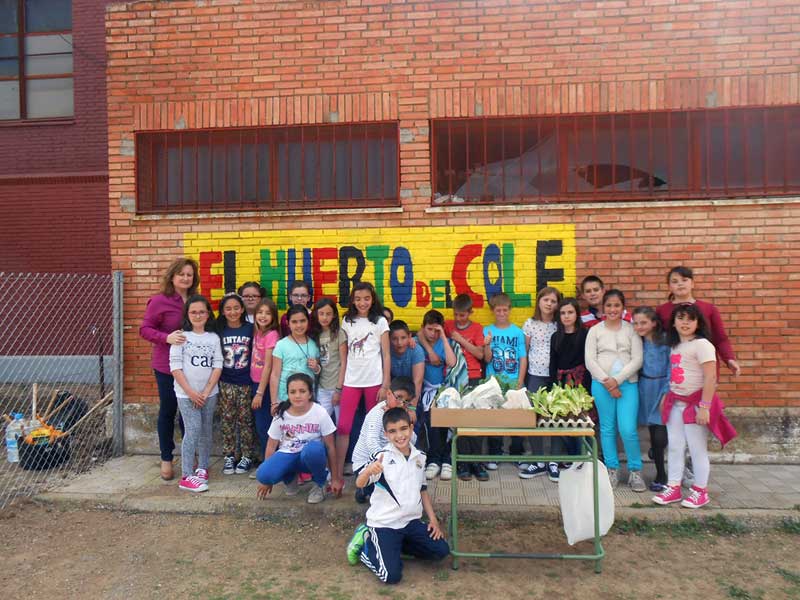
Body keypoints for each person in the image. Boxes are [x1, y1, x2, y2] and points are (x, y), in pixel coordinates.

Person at [346, 407, 450, 583]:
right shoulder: (382, 457)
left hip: (410, 523)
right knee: (391, 576)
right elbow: (360, 484)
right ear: (386, 434)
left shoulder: (420, 457)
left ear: (410, 428)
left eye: (403, 429)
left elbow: (422, 489)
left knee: (441, 550)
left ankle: (393, 547)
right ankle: (366, 545)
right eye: (392, 431)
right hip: (384, 524)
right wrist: (367, 472)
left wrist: (433, 519)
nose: (399, 435)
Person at [652, 304, 736, 508]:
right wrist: (666, 397)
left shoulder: (703, 345)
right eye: (681, 318)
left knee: (697, 449)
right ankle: (673, 487)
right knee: (674, 447)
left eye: (690, 319)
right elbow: (675, 373)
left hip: (695, 405)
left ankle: (700, 491)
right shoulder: (675, 345)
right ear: (673, 322)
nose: (685, 323)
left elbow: (710, 376)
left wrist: (705, 406)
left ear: (698, 323)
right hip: (675, 403)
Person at [139, 257, 199, 481]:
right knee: (168, 410)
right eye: (181, 274)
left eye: (189, 275)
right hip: (166, 367)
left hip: (192, 367)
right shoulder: (159, 301)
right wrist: (167, 337)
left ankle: (189, 455)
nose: (185, 278)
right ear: (172, 276)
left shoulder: (195, 300)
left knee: (189, 412)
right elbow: (145, 329)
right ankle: (166, 458)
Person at [585, 289, 645, 491]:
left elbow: (637, 359)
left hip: (628, 385)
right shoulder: (595, 331)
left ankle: (635, 471)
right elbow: (590, 360)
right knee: (607, 428)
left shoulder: (631, 330)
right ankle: (612, 469)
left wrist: (617, 381)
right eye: (609, 305)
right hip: (601, 385)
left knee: (627, 429)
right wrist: (606, 381)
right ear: (603, 308)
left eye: (616, 305)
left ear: (622, 308)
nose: (612, 309)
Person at [256, 373, 344, 503]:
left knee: (314, 449)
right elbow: (271, 445)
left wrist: (335, 479)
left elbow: (331, 447)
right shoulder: (281, 413)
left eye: (302, 391)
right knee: (263, 474)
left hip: (309, 456)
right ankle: (290, 478)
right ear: (288, 394)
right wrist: (268, 480)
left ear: (310, 394)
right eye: (293, 392)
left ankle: (320, 484)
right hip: (288, 454)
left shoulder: (319, 412)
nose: (297, 395)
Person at [338, 282, 391, 482]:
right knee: (343, 426)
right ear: (352, 299)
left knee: (375, 427)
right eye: (358, 299)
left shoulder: (379, 322)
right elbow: (344, 354)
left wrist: (385, 384)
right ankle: (338, 474)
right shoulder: (347, 320)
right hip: (351, 381)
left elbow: (386, 354)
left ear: (373, 299)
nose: (362, 302)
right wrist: (339, 384)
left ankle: (374, 473)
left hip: (374, 381)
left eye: (366, 298)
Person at [169, 295, 222, 492]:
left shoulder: (213, 338)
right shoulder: (180, 337)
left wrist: (206, 391)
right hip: (186, 394)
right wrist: (191, 393)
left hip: (209, 393)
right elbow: (175, 368)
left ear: (208, 314)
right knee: (192, 430)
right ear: (187, 314)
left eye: (202, 311)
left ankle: (202, 467)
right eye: (193, 312)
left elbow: (217, 365)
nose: (198, 315)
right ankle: (186, 476)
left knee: (206, 430)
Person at [655, 266, 741, 377]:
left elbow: (720, 339)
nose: (680, 284)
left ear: (693, 284)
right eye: (675, 281)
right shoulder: (662, 310)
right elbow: (657, 340)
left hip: (704, 367)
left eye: (684, 280)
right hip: (676, 367)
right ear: (669, 287)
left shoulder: (708, 309)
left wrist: (729, 359)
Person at [519, 287, 563, 481]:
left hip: (555, 376)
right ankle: (538, 460)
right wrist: (522, 379)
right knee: (533, 417)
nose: (549, 304)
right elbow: (525, 351)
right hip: (535, 375)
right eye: (546, 300)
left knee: (556, 416)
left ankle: (553, 460)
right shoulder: (530, 324)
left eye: (553, 301)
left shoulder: (559, 323)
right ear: (539, 301)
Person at [351, 376, 416, 504]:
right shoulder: (377, 414)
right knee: (387, 492)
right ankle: (364, 489)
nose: (401, 403)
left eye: (406, 401)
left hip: (391, 459)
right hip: (367, 463)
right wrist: (387, 459)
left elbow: (412, 441)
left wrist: (408, 421)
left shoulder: (402, 414)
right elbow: (371, 442)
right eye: (399, 397)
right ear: (388, 393)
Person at [444, 294, 487, 481]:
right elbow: (427, 330)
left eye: (463, 315)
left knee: (475, 421)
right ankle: (462, 462)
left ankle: (476, 462)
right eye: (456, 315)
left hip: (473, 376)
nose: (459, 318)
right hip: (454, 380)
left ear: (470, 312)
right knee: (459, 421)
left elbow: (480, 354)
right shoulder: (447, 325)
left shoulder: (477, 328)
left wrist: (460, 339)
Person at [483, 292, 527, 468]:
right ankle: (495, 452)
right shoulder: (487, 330)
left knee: (516, 418)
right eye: (498, 310)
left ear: (509, 310)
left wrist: (520, 381)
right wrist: (487, 344)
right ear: (493, 311)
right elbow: (487, 359)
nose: (501, 313)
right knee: (495, 418)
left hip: (514, 379)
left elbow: (523, 358)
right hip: (494, 382)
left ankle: (517, 452)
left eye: (505, 310)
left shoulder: (517, 332)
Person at [216, 293, 256, 475]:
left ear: (242, 309)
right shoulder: (219, 329)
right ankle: (229, 455)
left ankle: (247, 454)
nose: (233, 312)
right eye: (228, 309)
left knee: (245, 419)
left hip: (246, 382)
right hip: (225, 381)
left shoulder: (250, 329)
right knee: (227, 419)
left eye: (236, 308)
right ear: (223, 311)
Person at [632, 306, 671, 492]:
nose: (639, 326)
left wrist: (666, 392)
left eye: (644, 323)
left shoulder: (664, 342)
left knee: (660, 432)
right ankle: (656, 453)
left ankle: (661, 474)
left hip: (661, 387)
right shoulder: (637, 341)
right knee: (651, 428)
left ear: (654, 323)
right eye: (636, 323)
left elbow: (673, 366)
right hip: (643, 387)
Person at [548, 297, 591, 465]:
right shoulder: (555, 337)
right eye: (563, 313)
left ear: (577, 314)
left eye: (570, 312)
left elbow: (588, 362)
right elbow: (553, 363)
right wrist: (553, 387)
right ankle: (571, 455)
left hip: (580, 383)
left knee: (580, 420)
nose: (566, 316)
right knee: (562, 420)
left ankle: (582, 457)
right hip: (561, 383)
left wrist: (586, 388)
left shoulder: (585, 334)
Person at [415, 310, 456, 481]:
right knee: (429, 423)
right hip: (424, 391)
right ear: (423, 328)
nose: (433, 334)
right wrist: (429, 350)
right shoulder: (416, 342)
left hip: (443, 390)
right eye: (429, 329)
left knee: (446, 423)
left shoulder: (443, 342)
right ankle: (433, 460)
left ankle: (447, 461)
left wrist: (444, 338)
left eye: (436, 330)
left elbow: (452, 362)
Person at [250, 297, 280, 463]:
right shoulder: (258, 332)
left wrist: (260, 393)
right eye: (260, 312)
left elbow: (268, 366)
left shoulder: (271, 335)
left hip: (265, 387)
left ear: (273, 317)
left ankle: (269, 461)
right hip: (255, 383)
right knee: (260, 426)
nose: (263, 316)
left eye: (267, 313)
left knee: (265, 426)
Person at [311, 298, 346, 420]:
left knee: (341, 424)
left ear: (334, 315)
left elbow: (343, 363)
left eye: (328, 314)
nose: (324, 317)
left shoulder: (339, 334)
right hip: (322, 387)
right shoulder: (315, 334)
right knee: (321, 422)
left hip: (337, 386)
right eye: (321, 314)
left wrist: (338, 389)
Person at [389, 320, 424, 413]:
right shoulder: (386, 351)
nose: (399, 342)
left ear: (409, 337)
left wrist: (412, 408)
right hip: (393, 393)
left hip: (412, 393)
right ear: (389, 339)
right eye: (394, 339)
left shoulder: (415, 350)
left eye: (403, 338)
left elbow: (418, 382)